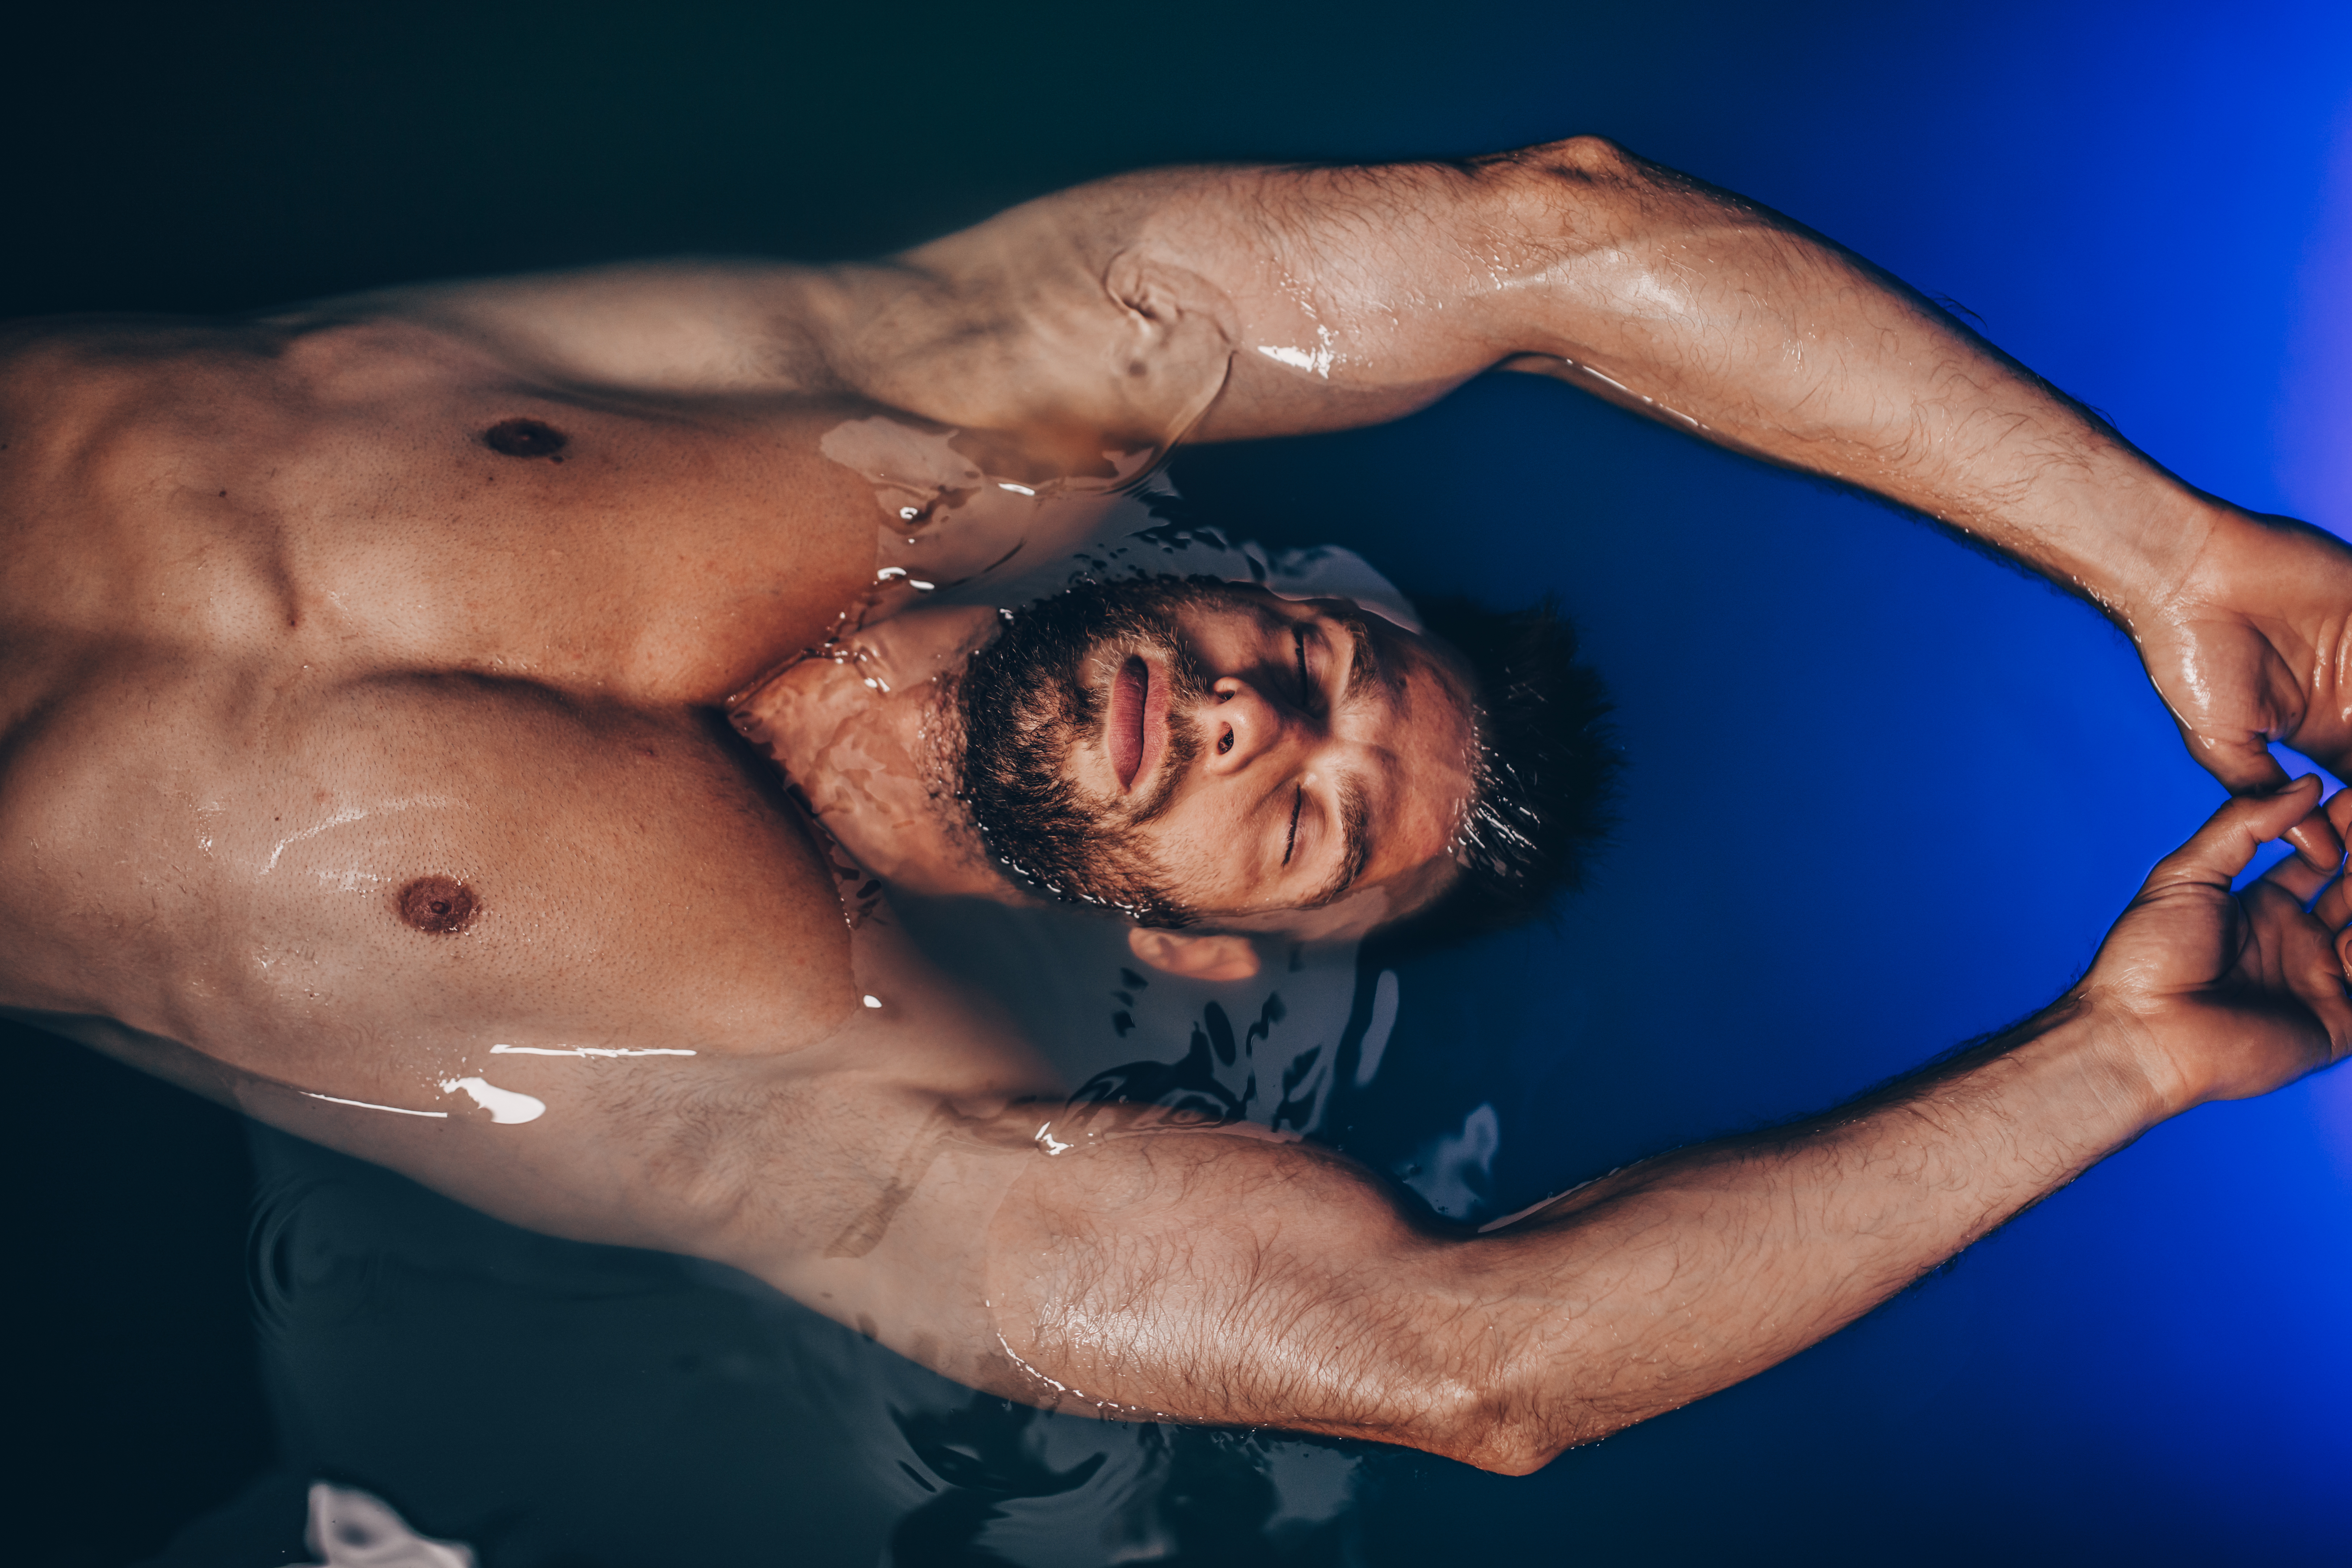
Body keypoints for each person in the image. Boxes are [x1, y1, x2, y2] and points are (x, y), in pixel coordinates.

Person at [7, 136, 2352, 1471]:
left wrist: (2121, 1060)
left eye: (1313, 821)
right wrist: (2171, 553)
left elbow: (1473, 1367)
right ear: (1240, 589)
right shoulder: (918, 406)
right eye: (1316, 674)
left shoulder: (839, 1102)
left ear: (1203, 955)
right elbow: (1546, 242)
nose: (1254, 729)